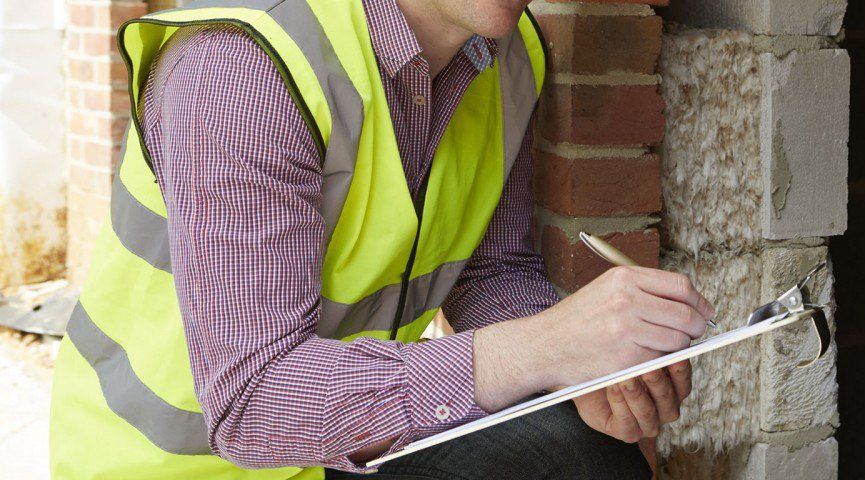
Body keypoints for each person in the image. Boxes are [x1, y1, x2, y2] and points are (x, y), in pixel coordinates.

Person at [49, 0, 715, 479]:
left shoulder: (507, 58)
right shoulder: (240, 71)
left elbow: (492, 271)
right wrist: (538, 350)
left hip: (348, 439)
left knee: (580, 450)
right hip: (184, 467)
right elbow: (254, 404)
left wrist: (580, 369)